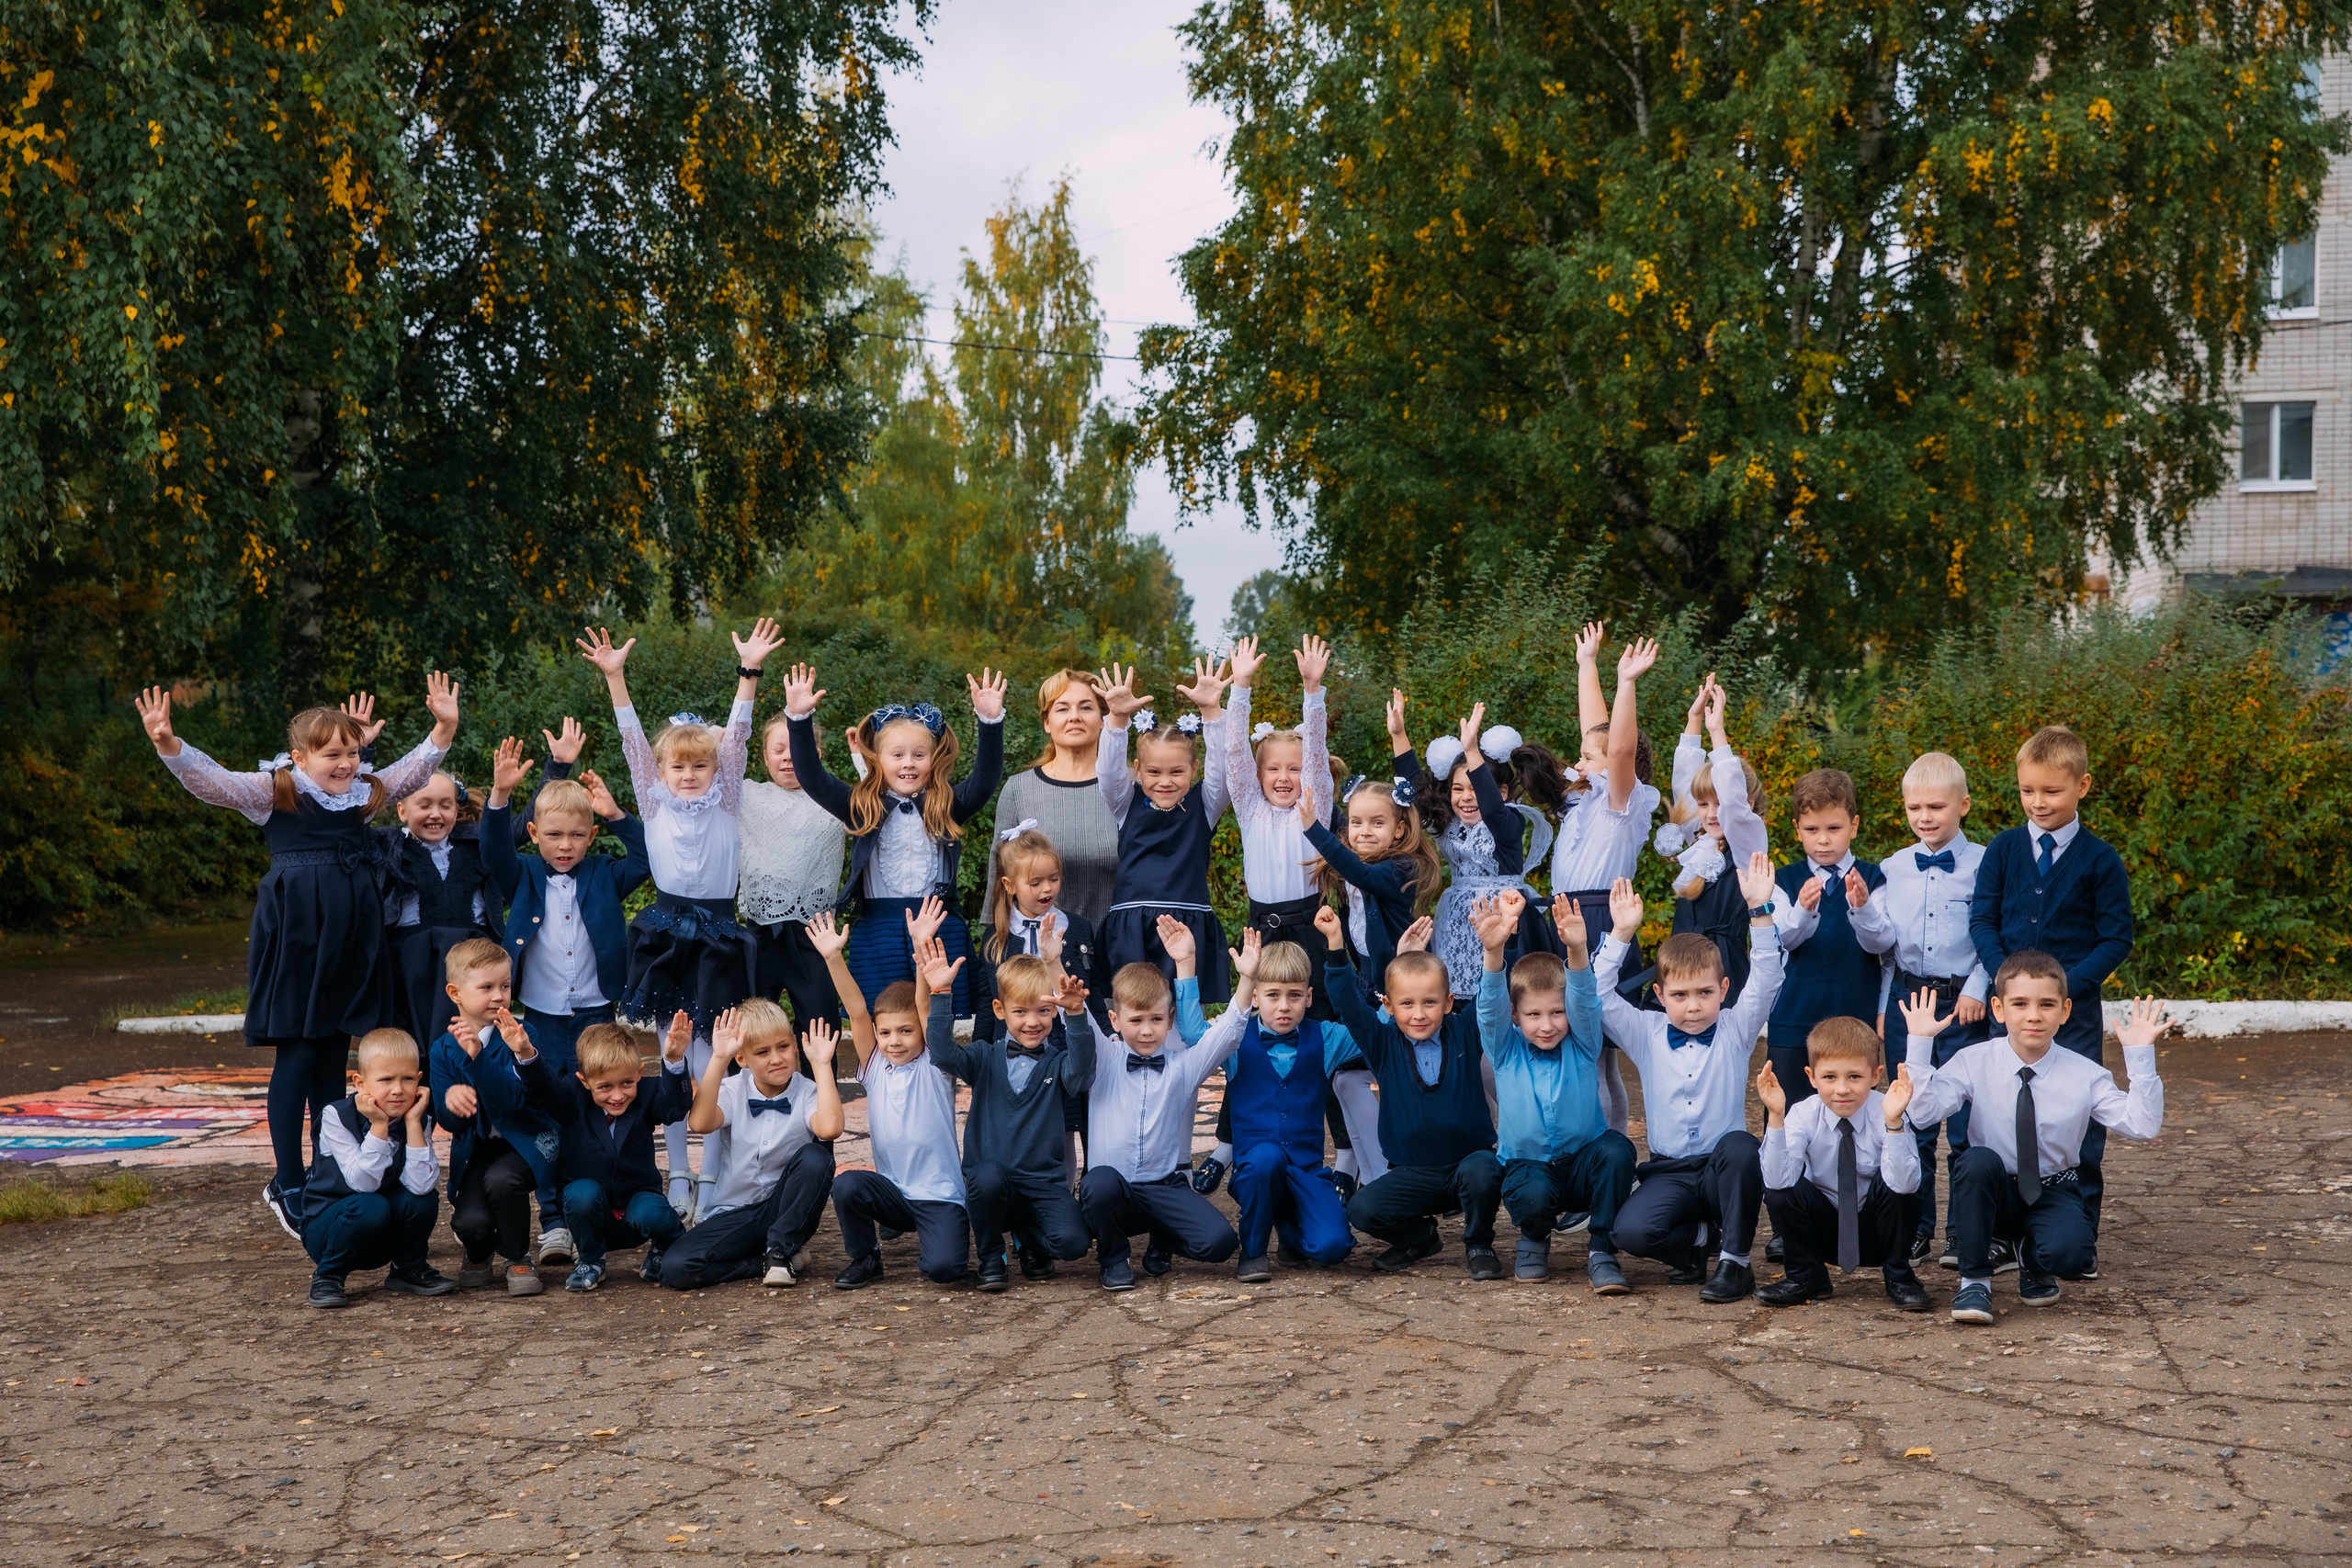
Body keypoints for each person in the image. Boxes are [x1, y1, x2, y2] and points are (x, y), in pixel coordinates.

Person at [136, 673, 461, 1240]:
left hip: (352, 938)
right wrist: (169, 743)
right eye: (331, 753)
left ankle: (327, 1171)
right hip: (298, 936)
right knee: (297, 1056)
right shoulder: (277, 791)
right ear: (299, 756)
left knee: (334, 1057)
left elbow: (411, 770)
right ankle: (286, 1180)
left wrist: (444, 727)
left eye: (352, 752)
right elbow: (213, 782)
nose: (344, 762)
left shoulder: (364, 791)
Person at [580, 619, 781, 1217]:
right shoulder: (653, 802)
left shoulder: (727, 801)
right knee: (673, 1059)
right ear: (662, 775)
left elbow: (740, 736)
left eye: (700, 766)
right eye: (678, 767)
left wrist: (749, 675)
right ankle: (679, 1175)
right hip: (669, 938)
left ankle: (715, 1179)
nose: (689, 774)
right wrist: (616, 678)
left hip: (717, 940)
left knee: (711, 1061)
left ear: (717, 772)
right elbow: (634, 743)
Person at [1898, 963, 2165, 1325]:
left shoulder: (2084, 1072)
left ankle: (2031, 1257)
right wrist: (1919, 1044)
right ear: (1998, 1009)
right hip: (1991, 1189)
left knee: (2073, 1258)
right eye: (2020, 1004)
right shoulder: (1974, 1060)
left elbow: (2143, 1125)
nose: (2033, 1017)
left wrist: (2140, 1058)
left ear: (2065, 1010)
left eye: (2047, 1005)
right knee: (1975, 1162)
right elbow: (1923, 1113)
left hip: (2053, 1188)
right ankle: (1975, 1280)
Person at [1968, 726, 2133, 1264]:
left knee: (2078, 1120)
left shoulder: (2100, 859)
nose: (2038, 803)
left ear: (2082, 786)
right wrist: (2005, 980)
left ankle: (2075, 1231)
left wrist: (2066, 992)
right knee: (1996, 1116)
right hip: (2009, 1015)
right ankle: (1996, 1231)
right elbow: (1983, 921)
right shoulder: (2002, 849)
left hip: (2073, 1015)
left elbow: (2115, 938)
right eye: (2027, 791)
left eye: (2052, 792)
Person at [1591, 858, 1783, 1303]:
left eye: (1704, 993)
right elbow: (1596, 994)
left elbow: (1769, 978)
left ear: (1724, 989)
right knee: (1630, 1232)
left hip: (1723, 1171)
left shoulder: (1736, 1027)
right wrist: (1621, 935)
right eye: (1679, 995)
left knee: (1741, 1146)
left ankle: (1735, 1263)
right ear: (1659, 995)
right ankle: (1700, 1241)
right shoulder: (1646, 1032)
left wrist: (1759, 910)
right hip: (1670, 1171)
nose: (1693, 1006)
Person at [779, 660, 1008, 1014]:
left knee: (942, 1022)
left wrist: (990, 723)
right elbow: (812, 776)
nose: (908, 764)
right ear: (877, 759)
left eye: (919, 755)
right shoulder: (861, 806)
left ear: (934, 759)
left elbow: (986, 777)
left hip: (939, 932)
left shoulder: (946, 804)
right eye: (897, 755)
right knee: (883, 1023)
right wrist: (798, 720)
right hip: (878, 933)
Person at [1851, 750, 1993, 1269]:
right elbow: (1885, 945)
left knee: (1965, 1123)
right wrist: (1884, 1001)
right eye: (1914, 807)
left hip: (1964, 1005)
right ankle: (1915, 1229)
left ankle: (1963, 1232)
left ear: (1964, 805)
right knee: (1909, 1118)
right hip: (1907, 1001)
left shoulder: (1985, 863)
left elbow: (1990, 936)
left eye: (1936, 806)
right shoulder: (1892, 868)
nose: (1925, 817)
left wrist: (1980, 987)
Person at [1320, 906, 1505, 1280]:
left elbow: (1491, 998)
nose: (1419, 1014)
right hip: (1412, 1175)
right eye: (1407, 1004)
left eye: (1430, 1002)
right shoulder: (1382, 1044)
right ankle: (1419, 1238)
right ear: (1388, 1006)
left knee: (1485, 1170)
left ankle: (1479, 1243)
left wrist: (1494, 951)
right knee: (1361, 1209)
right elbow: (1348, 1006)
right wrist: (1336, 946)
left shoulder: (1466, 1032)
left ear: (1449, 1003)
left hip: (1466, 1168)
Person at [1473, 892, 1636, 1292]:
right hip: (1528, 1167)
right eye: (1533, 1015)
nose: (1547, 1025)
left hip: (1582, 1163)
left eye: (1556, 1012)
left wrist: (1577, 949)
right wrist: (1493, 953)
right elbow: (1489, 1006)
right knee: (1532, 1192)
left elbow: (1584, 999)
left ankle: (1601, 1249)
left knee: (1617, 1150)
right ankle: (1534, 1238)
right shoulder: (1505, 1048)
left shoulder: (1582, 1045)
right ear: (1516, 1016)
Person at [913, 936, 1098, 1292]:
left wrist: (1075, 1015)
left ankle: (1028, 1239)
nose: (1033, 1022)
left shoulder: (1059, 1063)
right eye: (1021, 1011)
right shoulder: (983, 1056)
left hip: (1042, 1184)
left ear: (1054, 1010)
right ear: (1000, 1010)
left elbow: (1084, 1071)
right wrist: (939, 996)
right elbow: (943, 1054)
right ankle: (991, 1254)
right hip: (990, 1183)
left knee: (1074, 1243)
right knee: (986, 1177)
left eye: (1044, 1010)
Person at [1077, 920, 1249, 1290]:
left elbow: (1228, 1035)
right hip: (1115, 1190)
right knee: (1098, 1184)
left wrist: (1247, 982)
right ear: (1115, 1020)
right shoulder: (1104, 1057)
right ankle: (1114, 1257)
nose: (1146, 1030)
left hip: (1165, 1189)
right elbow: (1076, 1015)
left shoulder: (1182, 1067)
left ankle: (1165, 1238)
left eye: (1156, 1020)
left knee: (1220, 1243)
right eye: (1135, 1020)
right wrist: (1052, 962)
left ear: (1169, 1019)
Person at [821, 916, 973, 1291]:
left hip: (937, 1195)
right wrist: (832, 958)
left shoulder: (936, 1064)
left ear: (923, 1031)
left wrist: (922, 946)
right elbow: (857, 1011)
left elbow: (924, 1004)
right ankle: (866, 1258)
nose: (894, 1041)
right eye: (885, 1032)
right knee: (847, 1185)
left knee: (944, 1270)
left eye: (906, 1031)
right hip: (893, 1192)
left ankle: (948, 1232)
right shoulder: (875, 1067)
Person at [481, 744, 650, 1079]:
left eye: (576, 835)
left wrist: (615, 814)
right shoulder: (523, 875)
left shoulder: (605, 873)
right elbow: (493, 851)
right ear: (532, 834)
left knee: (601, 1085)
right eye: (554, 835)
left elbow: (646, 858)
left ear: (592, 836)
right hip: (541, 1012)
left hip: (598, 1009)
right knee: (544, 1088)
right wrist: (500, 793)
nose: (565, 845)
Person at [661, 1000, 845, 1291]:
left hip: (786, 1211)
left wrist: (821, 1066)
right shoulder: (735, 1089)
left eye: (783, 1047)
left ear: (795, 1045)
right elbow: (699, 1123)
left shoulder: (808, 1090)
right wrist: (720, 1057)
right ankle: (766, 1261)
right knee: (675, 1267)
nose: (776, 1058)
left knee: (816, 1157)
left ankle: (779, 1249)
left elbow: (830, 1128)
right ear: (742, 1060)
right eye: (763, 1052)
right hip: (735, 1214)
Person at [1754, 1018, 1930, 1311]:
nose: (1842, 1089)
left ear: (1875, 1075)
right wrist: (1775, 1117)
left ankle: (1900, 1276)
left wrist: (1894, 1123)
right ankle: (1807, 1276)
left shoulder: (1887, 1111)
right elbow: (1775, 1181)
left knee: (1898, 1178)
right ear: (1812, 1077)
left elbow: (1906, 1186)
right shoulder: (1802, 1115)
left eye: (1854, 1077)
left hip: (1879, 1232)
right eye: (1830, 1077)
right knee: (1783, 1186)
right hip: (1824, 1233)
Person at [1222, 932, 1363, 1281]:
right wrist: (1187, 966)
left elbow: (1373, 1029)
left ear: (1309, 997)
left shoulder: (1327, 1038)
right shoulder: (1235, 1039)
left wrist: (1394, 959)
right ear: (1255, 997)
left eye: (1294, 996)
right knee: (1267, 1158)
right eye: (1272, 995)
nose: (1284, 1006)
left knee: (1334, 1248)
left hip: (1306, 1170)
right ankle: (1253, 1251)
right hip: (1255, 1171)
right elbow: (1195, 1035)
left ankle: (1290, 1229)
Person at [1095, 659, 1235, 1004]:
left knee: (1183, 1015)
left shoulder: (1206, 803)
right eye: (1154, 772)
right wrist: (1116, 719)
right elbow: (1109, 772)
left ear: (1193, 769)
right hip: (1133, 927)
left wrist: (1212, 712)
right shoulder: (1126, 801)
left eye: (1176, 771)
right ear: (1138, 770)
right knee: (1135, 1011)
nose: (1165, 781)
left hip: (1187, 923)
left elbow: (1224, 770)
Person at [428, 938, 560, 1296]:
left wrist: (479, 1060)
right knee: (471, 1222)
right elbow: (452, 1124)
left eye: (505, 985)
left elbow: (516, 1102)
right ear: (455, 993)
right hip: (477, 1148)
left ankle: (518, 1256)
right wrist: (451, 1102)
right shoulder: (441, 1050)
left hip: (527, 1141)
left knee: (503, 1181)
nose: (499, 996)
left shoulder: (521, 1035)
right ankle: (479, 1252)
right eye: (486, 987)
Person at [518, 1018, 692, 1291]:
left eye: (626, 1083)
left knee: (654, 1212)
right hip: (591, 1216)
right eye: (605, 1087)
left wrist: (673, 1059)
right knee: (580, 1194)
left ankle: (665, 1246)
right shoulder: (571, 1096)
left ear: (639, 1073)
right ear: (584, 1081)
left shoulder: (646, 1093)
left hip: (639, 1204)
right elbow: (545, 1089)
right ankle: (591, 1259)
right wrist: (526, 1053)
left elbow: (675, 1108)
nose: (617, 1095)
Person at [1413, 700, 1569, 1003]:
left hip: (1507, 917)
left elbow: (1492, 810)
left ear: (1502, 793)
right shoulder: (1450, 825)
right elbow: (1419, 789)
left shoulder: (1507, 822)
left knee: (1512, 995)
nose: (1466, 797)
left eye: (1475, 788)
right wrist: (1398, 737)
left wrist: (1472, 750)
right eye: (1457, 789)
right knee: (1460, 999)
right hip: (1460, 920)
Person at [1768, 769, 1894, 1114]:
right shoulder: (1782, 880)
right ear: (1797, 830)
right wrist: (1803, 912)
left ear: (1853, 826)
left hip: (1855, 1018)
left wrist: (1863, 908)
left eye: (1833, 829)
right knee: (1786, 1117)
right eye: (1812, 830)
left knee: (1853, 1118)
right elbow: (1783, 940)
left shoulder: (1874, 878)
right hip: (1794, 1019)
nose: (1823, 839)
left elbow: (1881, 944)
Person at [300, 1028, 453, 1308]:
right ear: (361, 1083)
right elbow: (363, 1184)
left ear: (419, 1080)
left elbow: (421, 1185)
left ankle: (409, 1268)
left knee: (424, 1198)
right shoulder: (337, 1117)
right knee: (371, 1205)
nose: (398, 1089)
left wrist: (413, 1124)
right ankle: (328, 1276)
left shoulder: (417, 1118)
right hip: (329, 1230)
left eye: (407, 1079)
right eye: (386, 1079)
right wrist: (380, 1126)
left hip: (379, 1235)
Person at [1640, 674, 1769, 1004]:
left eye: (1720, 803)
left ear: (1746, 804)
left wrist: (1717, 732)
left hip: (1722, 970)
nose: (1712, 814)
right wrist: (1694, 720)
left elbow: (1734, 806)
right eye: (1704, 805)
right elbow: (1684, 784)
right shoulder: (1699, 843)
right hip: (1680, 964)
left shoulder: (1746, 846)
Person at [375, 767, 503, 1053]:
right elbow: (349, 824)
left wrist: (504, 791)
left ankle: (472, 1086)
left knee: (468, 1040)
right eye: (424, 805)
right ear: (401, 811)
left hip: (471, 960)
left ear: (456, 811)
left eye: (445, 805)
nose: (436, 813)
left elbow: (520, 830)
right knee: (414, 1040)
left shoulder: (476, 843)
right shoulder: (389, 844)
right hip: (412, 964)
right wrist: (364, 752)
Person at [982, 669, 1122, 929]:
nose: (1074, 717)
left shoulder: (1130, 786)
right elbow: (999, 883)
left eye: (1086, 708)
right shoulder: (1019, 790)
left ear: (1104, 718)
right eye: (1062, 709)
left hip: (1119, 949)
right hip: (1038, 956)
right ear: (1047, 722)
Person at [738, 710, 848, 1034]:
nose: (788, 757)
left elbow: (870, 801)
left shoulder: (833, 800)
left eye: (797, 748)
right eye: (778, 750)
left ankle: (819, 1085)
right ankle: (754, 1086)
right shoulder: (747, 795)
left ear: (816, 754)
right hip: (760, 932)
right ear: (764, 756)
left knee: (820, 1024)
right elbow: (714, 766)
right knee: (752, 1028)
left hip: (814, 934)